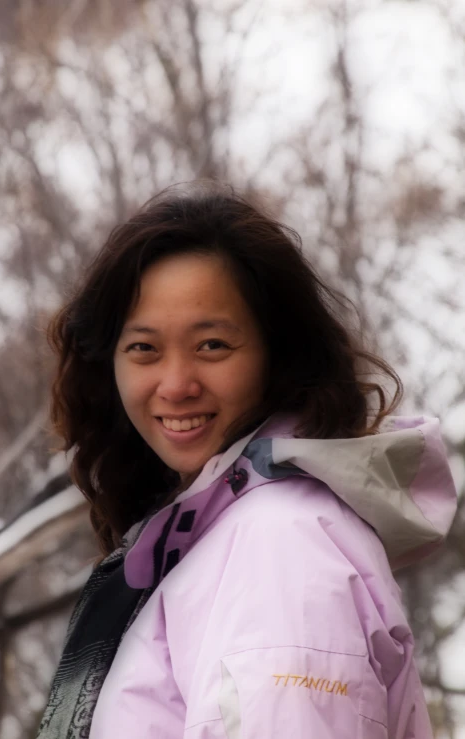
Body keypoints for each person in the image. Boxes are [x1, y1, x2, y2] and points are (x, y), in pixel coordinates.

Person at [36, 181, 457, 739]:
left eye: (212, 345)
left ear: (277, 355)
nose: (177, 384)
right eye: (144, 348)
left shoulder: (282, 543)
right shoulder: (209, 538)